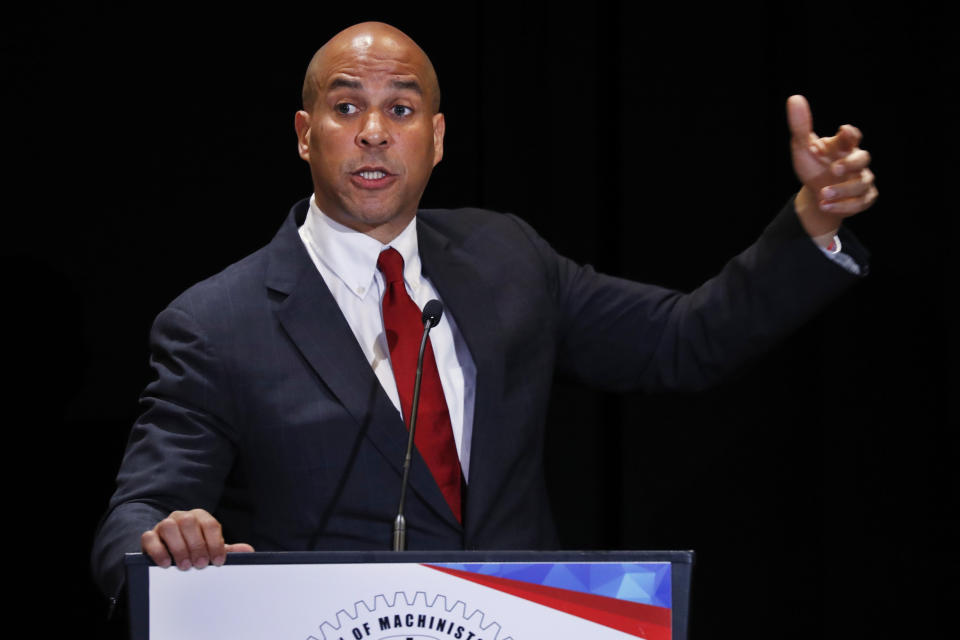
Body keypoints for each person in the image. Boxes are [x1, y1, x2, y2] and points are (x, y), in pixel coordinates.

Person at [91, 22, 877, 599]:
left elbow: (684, 340)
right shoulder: (216, 321)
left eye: (400, 111)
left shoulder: (506, 259)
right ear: (305, 135)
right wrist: (163, 542)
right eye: (345, 108)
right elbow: (135, 521)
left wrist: (812, 223)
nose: (372, 133)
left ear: (435, 140)